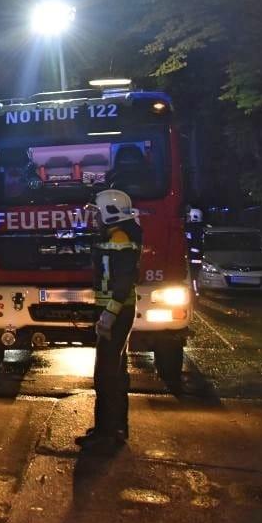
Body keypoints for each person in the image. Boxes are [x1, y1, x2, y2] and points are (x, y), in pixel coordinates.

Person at [76, 189, 142, 455]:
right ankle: (114, 427)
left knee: (105, 374)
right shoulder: (115, 234)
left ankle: (106, 433)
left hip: (116, 312)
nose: (94, 218)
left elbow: (124, 280)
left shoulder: (120, 237)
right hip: (116, 312)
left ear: (109, 212)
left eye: (97, 212)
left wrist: (109, 314)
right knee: (115, 371)